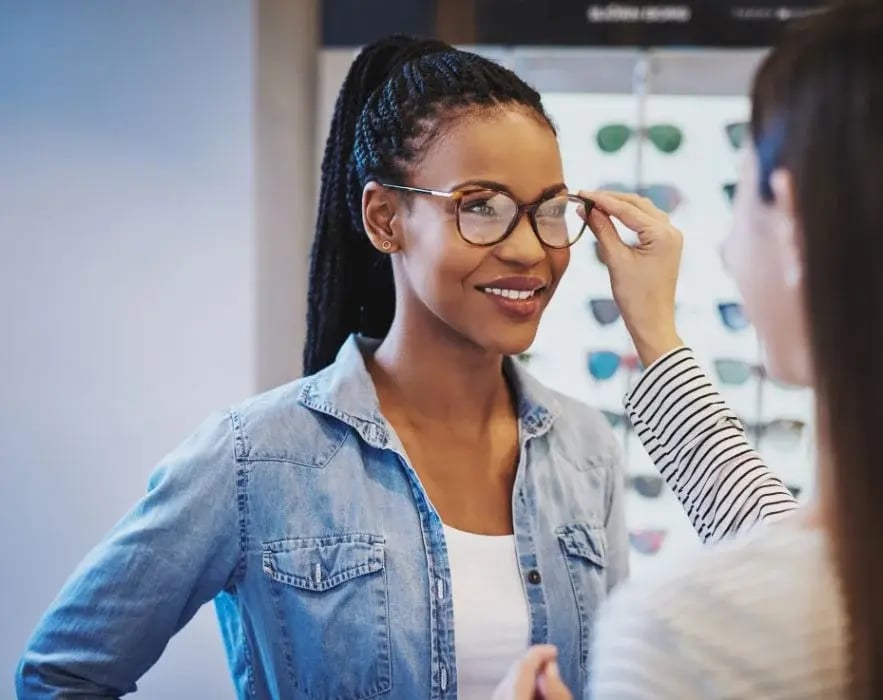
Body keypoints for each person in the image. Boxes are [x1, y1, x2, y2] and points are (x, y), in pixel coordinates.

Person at [16, 37, 795, 700]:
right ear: (386, 218)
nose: (528, 248)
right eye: (480, 205)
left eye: (549, 210)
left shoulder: (585, 446)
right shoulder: (255, 456)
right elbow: (59, 676)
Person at [498, 3, 883, 699]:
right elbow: (781, 533)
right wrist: (656, 334)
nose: (727, 248)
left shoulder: (693, 635)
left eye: (742, 197)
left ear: (794, 223)